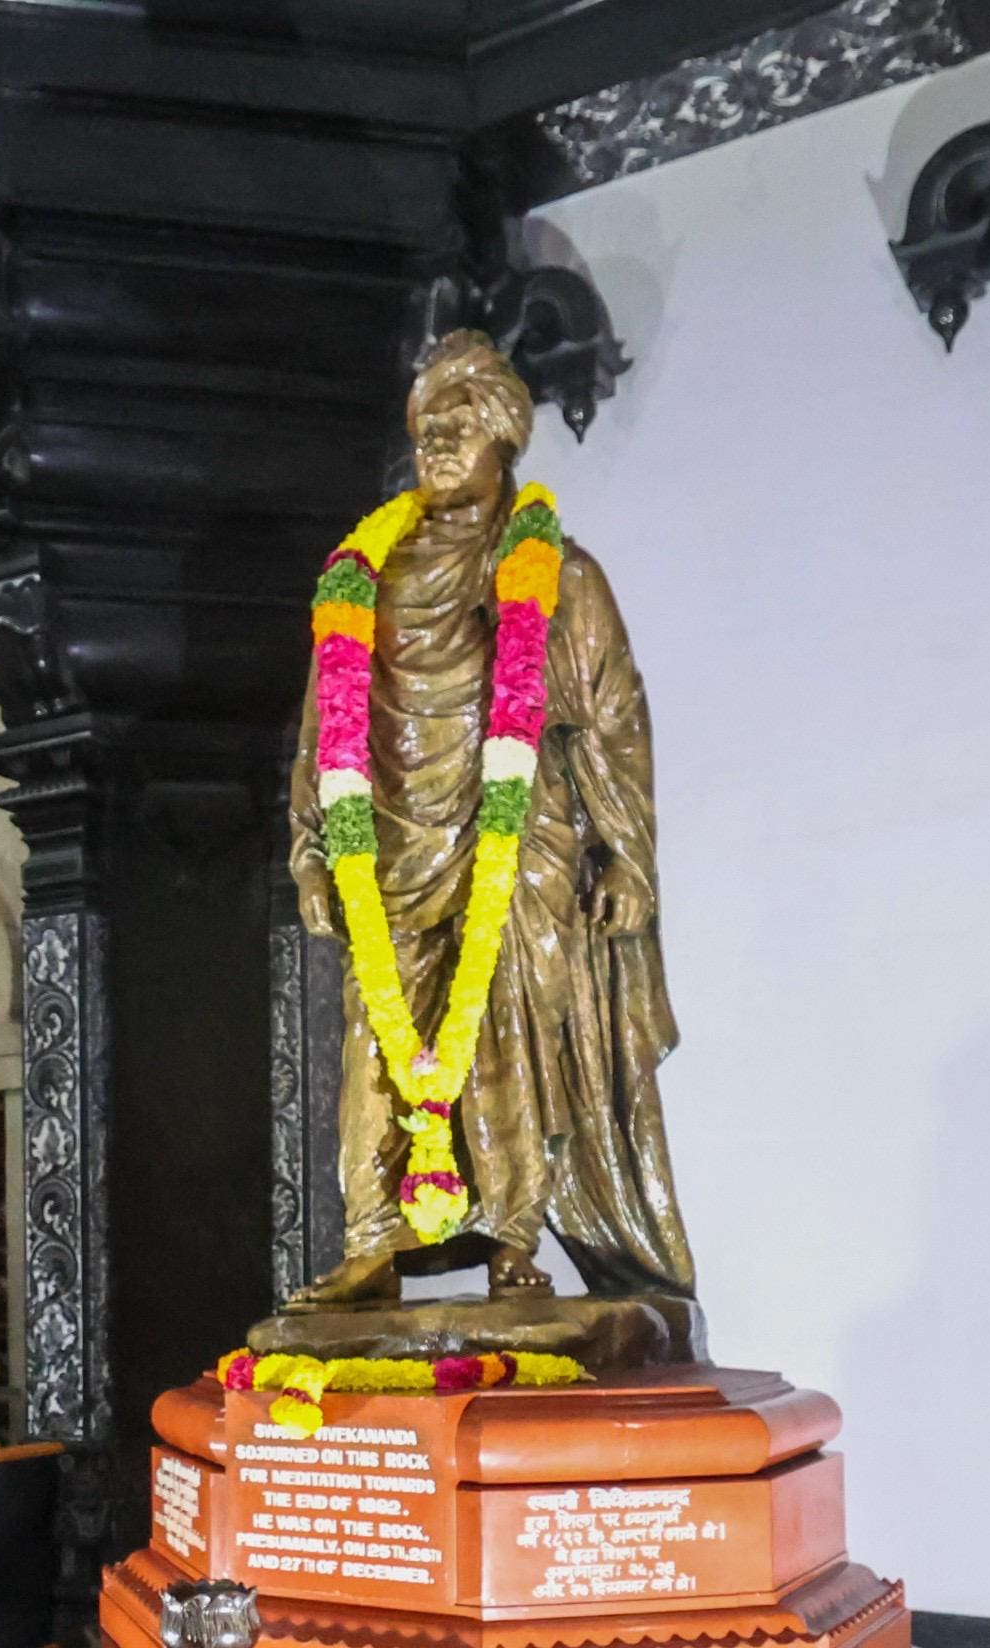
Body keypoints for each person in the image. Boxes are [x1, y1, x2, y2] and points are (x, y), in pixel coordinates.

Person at [285, 326, 695, 1309]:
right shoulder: (361, 580)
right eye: (427, 423)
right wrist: (309, 853)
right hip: (387, 853)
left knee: (509, 1041)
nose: (436, 441)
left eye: (461, 423)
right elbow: (320, 729)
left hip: (514, 857)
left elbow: (611, 723)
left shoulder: (558, 575)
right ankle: (373, 1243)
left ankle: (515, 1241)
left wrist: (628, 859)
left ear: (506, 437)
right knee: (377, 1052)